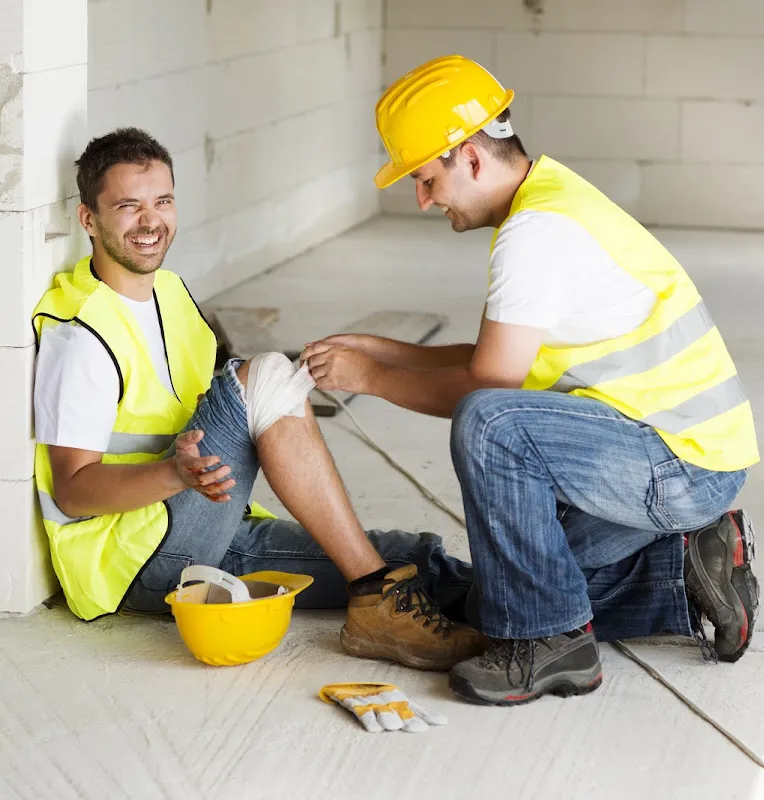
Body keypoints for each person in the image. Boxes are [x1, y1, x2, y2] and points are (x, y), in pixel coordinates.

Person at [301, 55, 761, 706]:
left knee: (488, 426)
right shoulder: (550, 201)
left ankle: (550, 643)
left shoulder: (535, 233)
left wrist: (372, 377)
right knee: (504, 590)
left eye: (427, 178)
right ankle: (684, 568)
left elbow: (490, 391)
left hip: (676, 464)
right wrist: (387, 350)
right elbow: (504, 359)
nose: (424, 198)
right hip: (674, 457)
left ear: (468, 156)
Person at [31, 127, 483, 674]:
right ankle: (378, 601)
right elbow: (74, 493)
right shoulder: (81, 336)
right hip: (134, 561)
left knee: (412, 560)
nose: (151, 222)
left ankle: (550, 608)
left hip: (206, 530)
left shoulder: (171, 295)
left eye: (163, 201)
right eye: (128, 206)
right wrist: (177, 475)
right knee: (265, 372)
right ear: (89, 220)